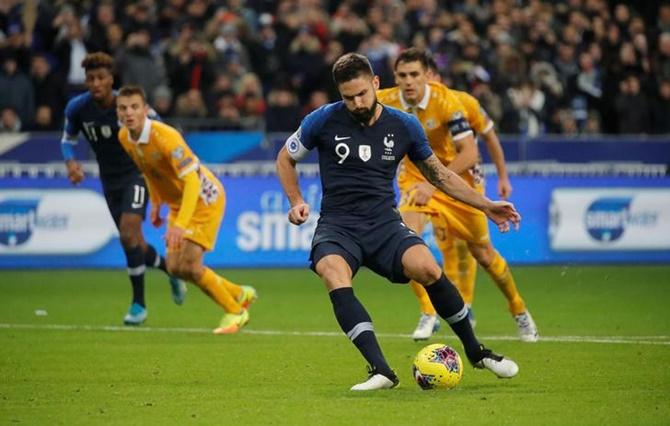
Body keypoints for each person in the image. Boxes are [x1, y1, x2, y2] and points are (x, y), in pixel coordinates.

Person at [276, 52, 520, 391]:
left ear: (376, 83)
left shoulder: (404, 125)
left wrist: (486, 205)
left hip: (384, 224)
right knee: (332, 271)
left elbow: (439, 176)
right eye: (348, 97)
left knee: (429, 269)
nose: (357, 102)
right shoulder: (322, 120)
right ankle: (381, 371)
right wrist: (296, 201)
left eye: (362, 93)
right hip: (338, 225)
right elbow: (285, 158)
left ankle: (477, 352)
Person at [376, 48, 539, 342]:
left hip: (458, 181)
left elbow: (472, 151)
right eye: (402, 76)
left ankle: (518, 309)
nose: (409, 81)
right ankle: (429, 313)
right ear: (395, 77)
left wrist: (499, 178)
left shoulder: (450, 101)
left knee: (484, 254)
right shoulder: (385, 100)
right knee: (405, 241)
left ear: (428, 76)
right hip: (415, 179)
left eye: (415, 75)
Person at [115, 85, 257, 334]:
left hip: (204, 199)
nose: (129, 113)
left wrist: (180, 225)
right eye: (123, 108)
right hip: (178, 203)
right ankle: (239, 293)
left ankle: (236, 311)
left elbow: (192, 181)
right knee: (174, 267)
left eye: (135, 107)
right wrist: (157, 202)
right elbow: (150, 171)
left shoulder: (165, 137)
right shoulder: (125, 138)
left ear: (145, 110)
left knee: (190, 265)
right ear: (117, 112)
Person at [61, 52, 186, 325]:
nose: (96, 83)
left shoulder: (128, 106)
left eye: (101, 78)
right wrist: (71, 163)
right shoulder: (77, 109)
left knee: (128, 233)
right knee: (136, 243)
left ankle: (138, 304)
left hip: (137, 175)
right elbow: (67, 140)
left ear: (111, 79)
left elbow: (162, 130)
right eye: (91, 78)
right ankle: (170, 271)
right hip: (110, 182)